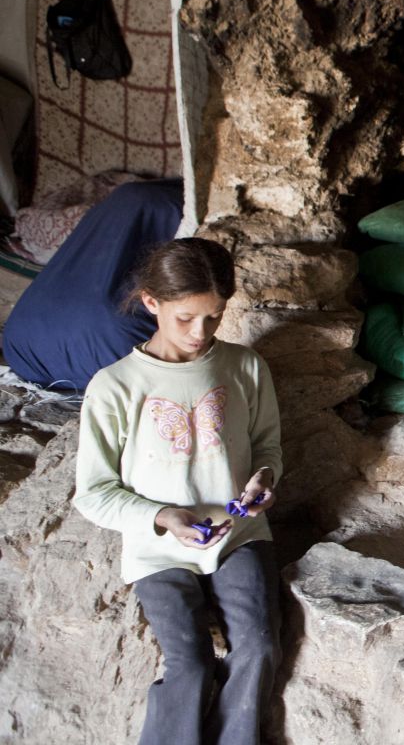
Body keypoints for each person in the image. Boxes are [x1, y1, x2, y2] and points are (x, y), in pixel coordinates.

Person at [72, 237, 283, 744]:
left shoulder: (245, 367)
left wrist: (264, 480)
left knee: (257, 646)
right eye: (186, 317)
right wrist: (165, 517)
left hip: (239, 535)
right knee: (189, 662)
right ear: (151, 302)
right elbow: (94, 492)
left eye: (214, 317)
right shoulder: (115, 386)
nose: (201, 331)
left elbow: (267, 446)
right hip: (159, 550)